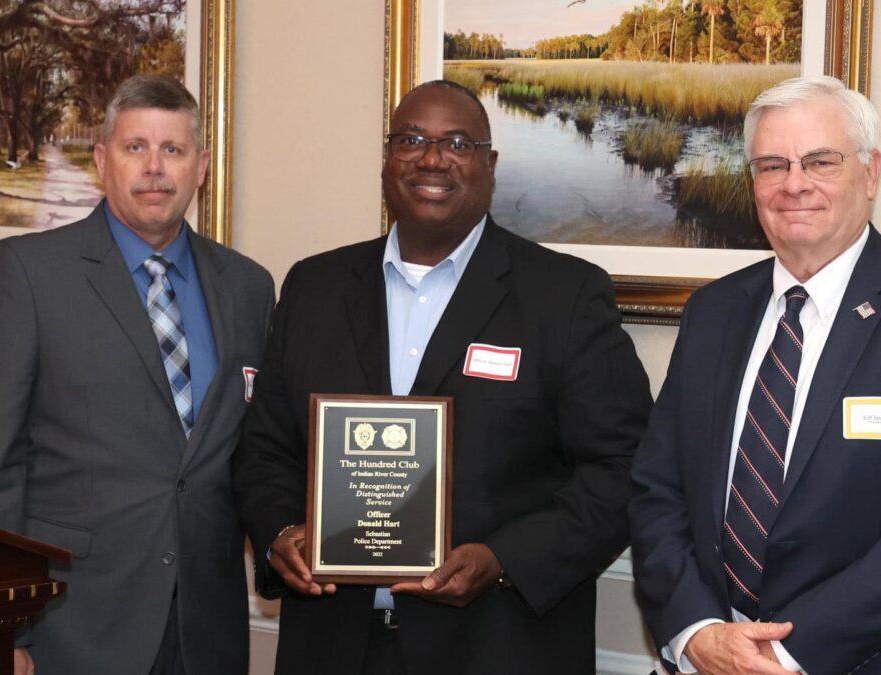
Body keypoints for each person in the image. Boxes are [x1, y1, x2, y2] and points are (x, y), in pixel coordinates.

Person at [232, 80, 652, 675]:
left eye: (457, 142)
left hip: (496, 647)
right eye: (412, 140)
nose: (432, 158)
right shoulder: (313, 287)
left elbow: (625, 469)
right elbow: (264, 449)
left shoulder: (564, 296)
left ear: (490, 164)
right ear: (388, 158)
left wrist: (502, 559)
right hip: (330, 646)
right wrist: (278, 533)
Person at [629, 75, 881, 675]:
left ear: (871, 172)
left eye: (820, 161)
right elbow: (658, 488)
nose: (794, 184)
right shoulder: (713, 310)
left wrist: (786, 655)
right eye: (771, 165)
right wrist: (698, 632)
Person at [0, 74, 274, 675]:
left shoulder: (249, 288)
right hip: (69, 628)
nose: (154, 168)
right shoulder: (27, 275)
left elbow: (253, 451)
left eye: (172, 150)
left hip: (205, 631)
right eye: (135, 148)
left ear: (201, 167)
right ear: (101, 161)